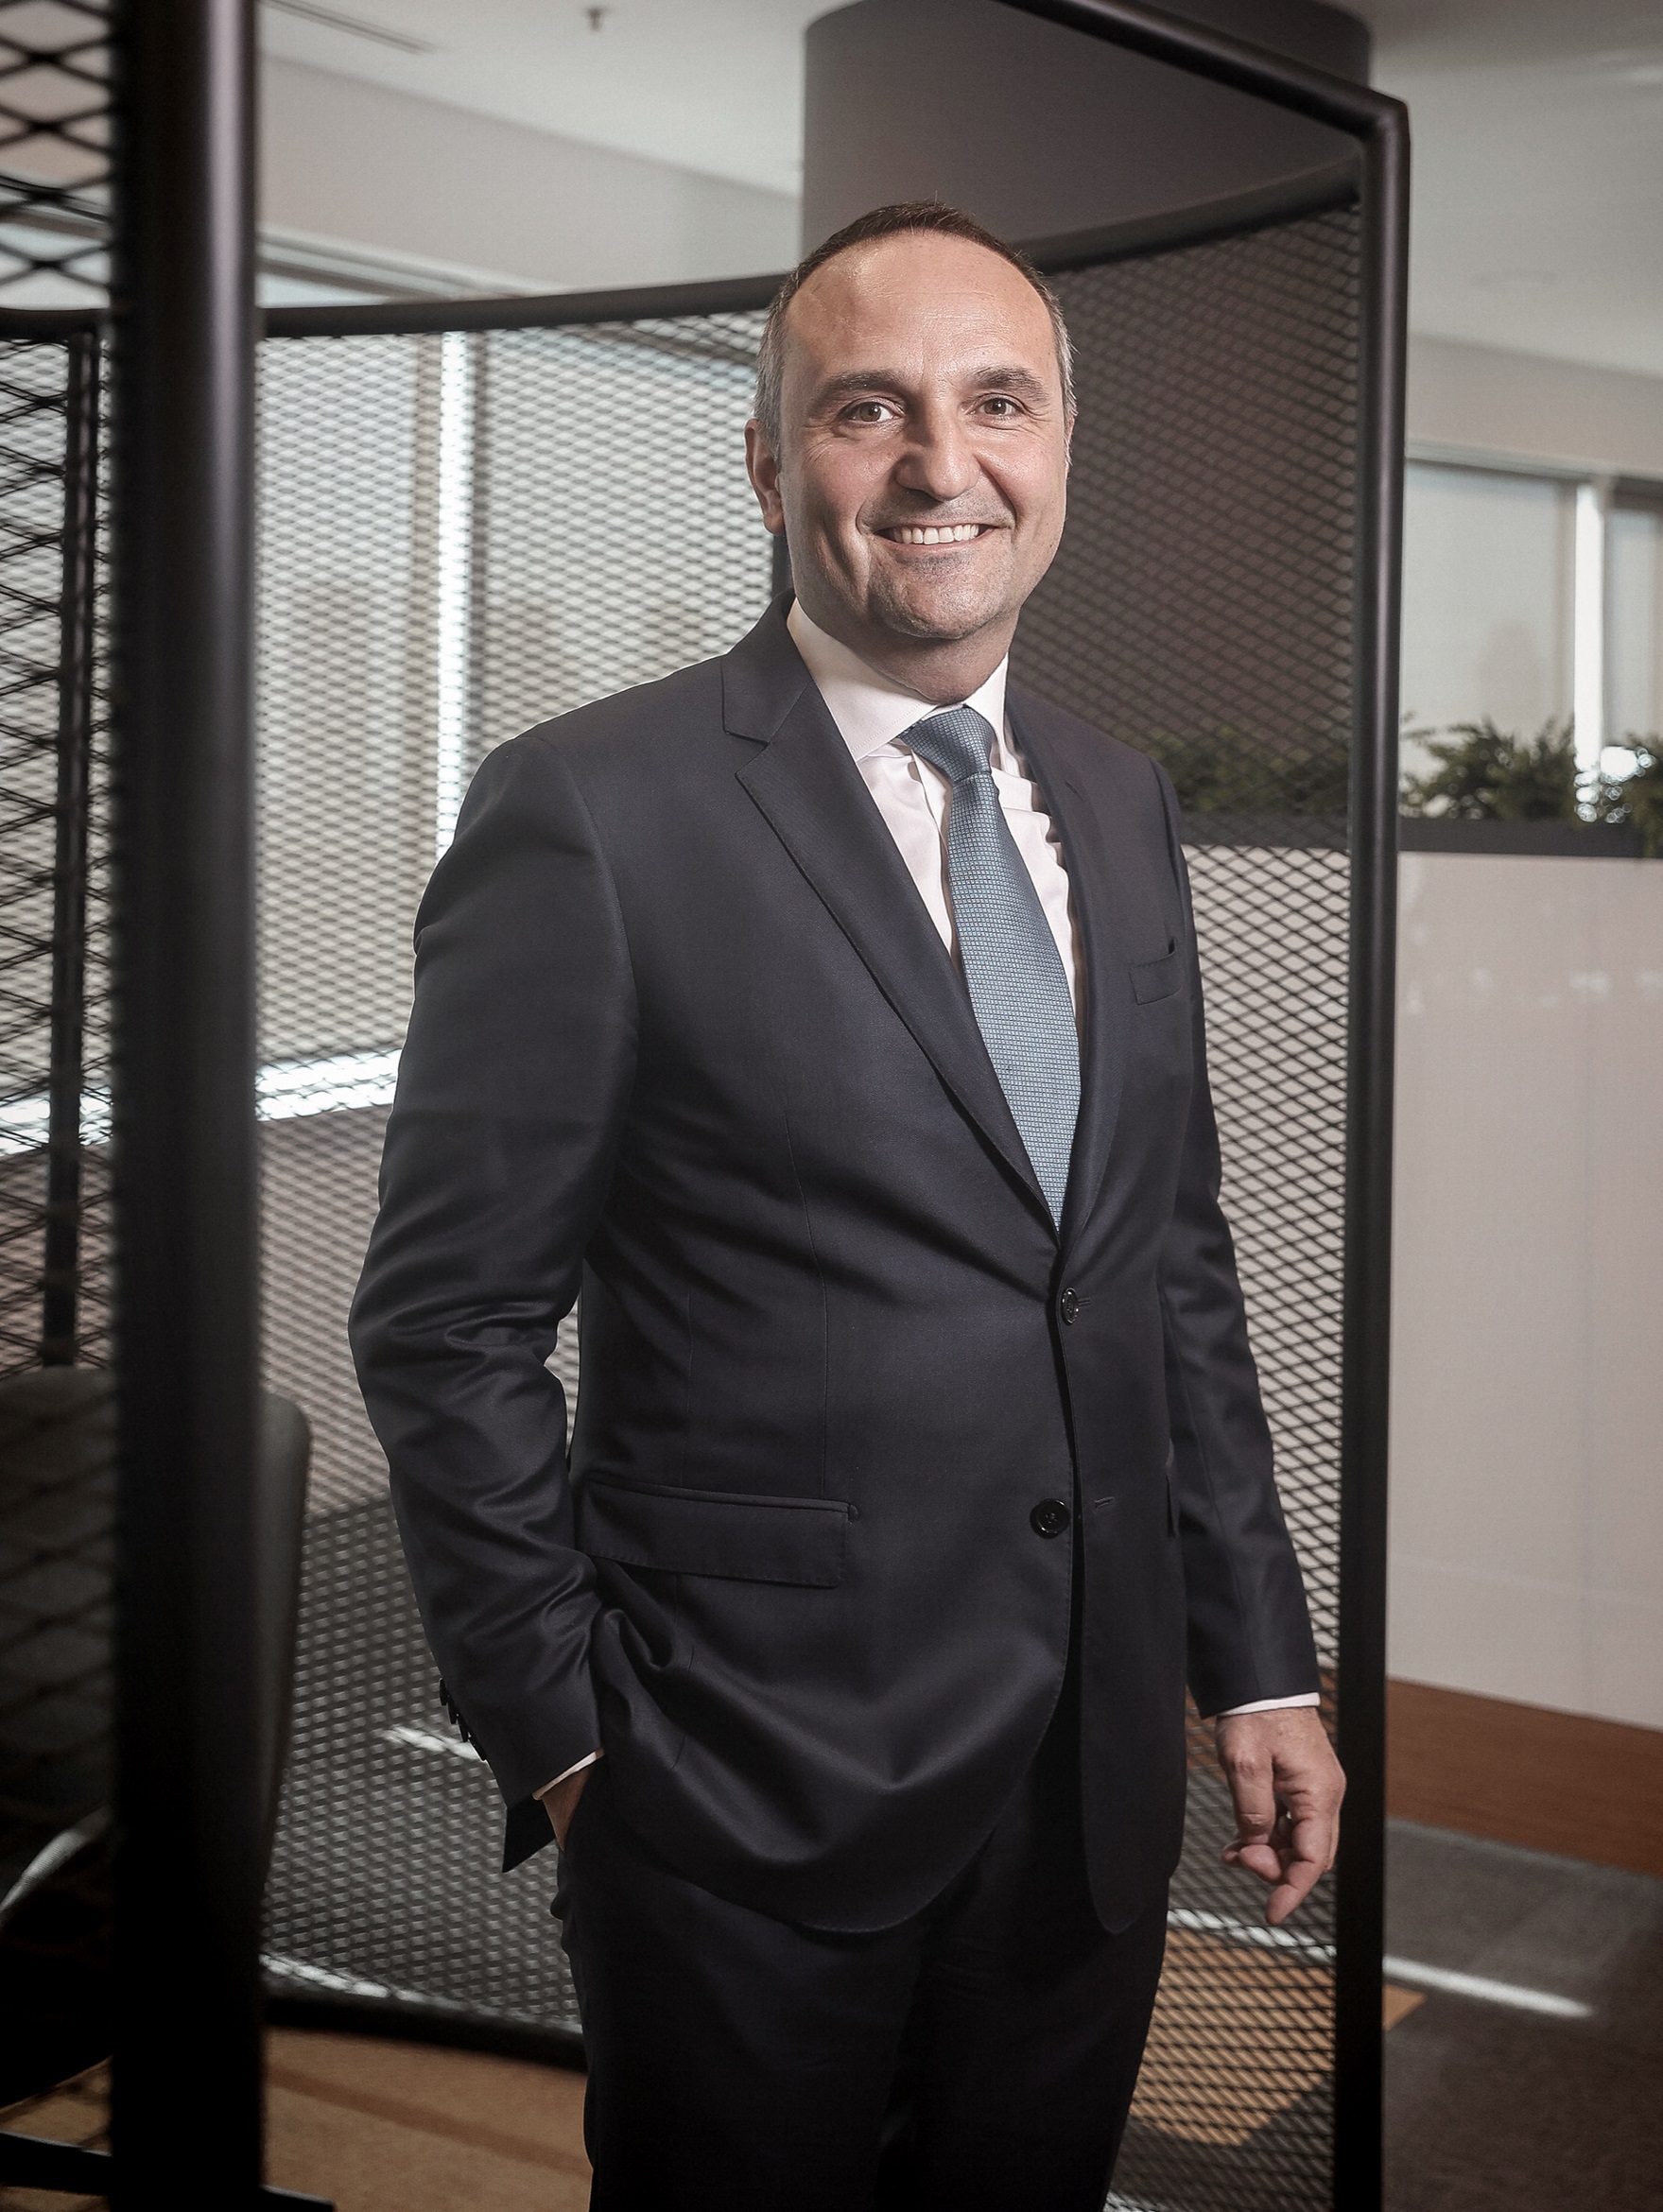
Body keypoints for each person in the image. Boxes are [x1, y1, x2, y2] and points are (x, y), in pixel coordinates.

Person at [350, 199, 1344, 2211]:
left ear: (1062, 444)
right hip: (736, 1796)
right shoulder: (593, 809)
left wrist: (1255, 1660)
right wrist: (573, 1744)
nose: (939, 465)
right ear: (767, 458)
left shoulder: (1118, 801)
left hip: (1088, 1788)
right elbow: (447, 1325)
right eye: (867, 408)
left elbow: (1164, 1263)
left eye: (998, 403)